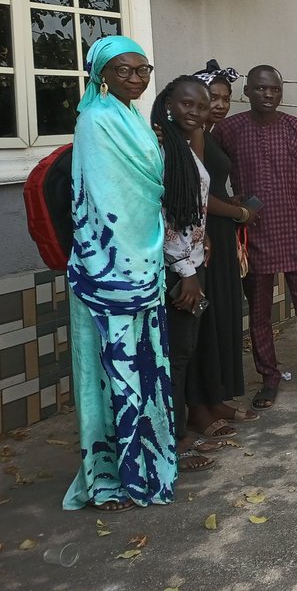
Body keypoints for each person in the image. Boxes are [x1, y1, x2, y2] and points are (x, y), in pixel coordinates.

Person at [63, 36, 175, 511]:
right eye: (124, 70)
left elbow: (148, 195)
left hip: (146, 264)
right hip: (107, 270)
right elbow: (102, 202)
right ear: (101, 75)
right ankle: (109, 479)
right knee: (112, 375)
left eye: (142, 69)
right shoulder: (94, 121)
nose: (136, 78)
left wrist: (153, 252)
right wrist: (125, 261)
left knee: (146, 372)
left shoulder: (134, 119)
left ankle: (150, 464)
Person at [212, 65, 297, 410]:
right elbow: (212, 176)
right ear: (246, 92)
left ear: (281, 93)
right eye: (260, 89)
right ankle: (269, 378)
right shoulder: (228, 130)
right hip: (253, 236)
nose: (267, 95)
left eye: (274, 90)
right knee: (260, 314)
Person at [186, 60, 257, 439]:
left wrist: (234, 204)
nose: (219, 104)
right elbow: (196, 195)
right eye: (212, 97)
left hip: (221, 234)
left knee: (223, 319)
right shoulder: (190, 133)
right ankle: (197, 408)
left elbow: (211, 187)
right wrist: (239, 210)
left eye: (226, 98)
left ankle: (217, 399)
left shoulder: (209, 134)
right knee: (202, 323)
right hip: (202, 238)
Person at [153, 76, 216, 473]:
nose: (194, 112)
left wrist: (203, 239)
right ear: (169, 103)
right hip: (179, 272)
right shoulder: (162, 148)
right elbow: (165, 216)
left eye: (201, 106)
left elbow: (191, 205)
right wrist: (185, 271)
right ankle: (172, 443)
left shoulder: (185, 146)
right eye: (186, 104)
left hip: (192, 262)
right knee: (174, 357)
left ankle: (175, 434)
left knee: (184, 353)